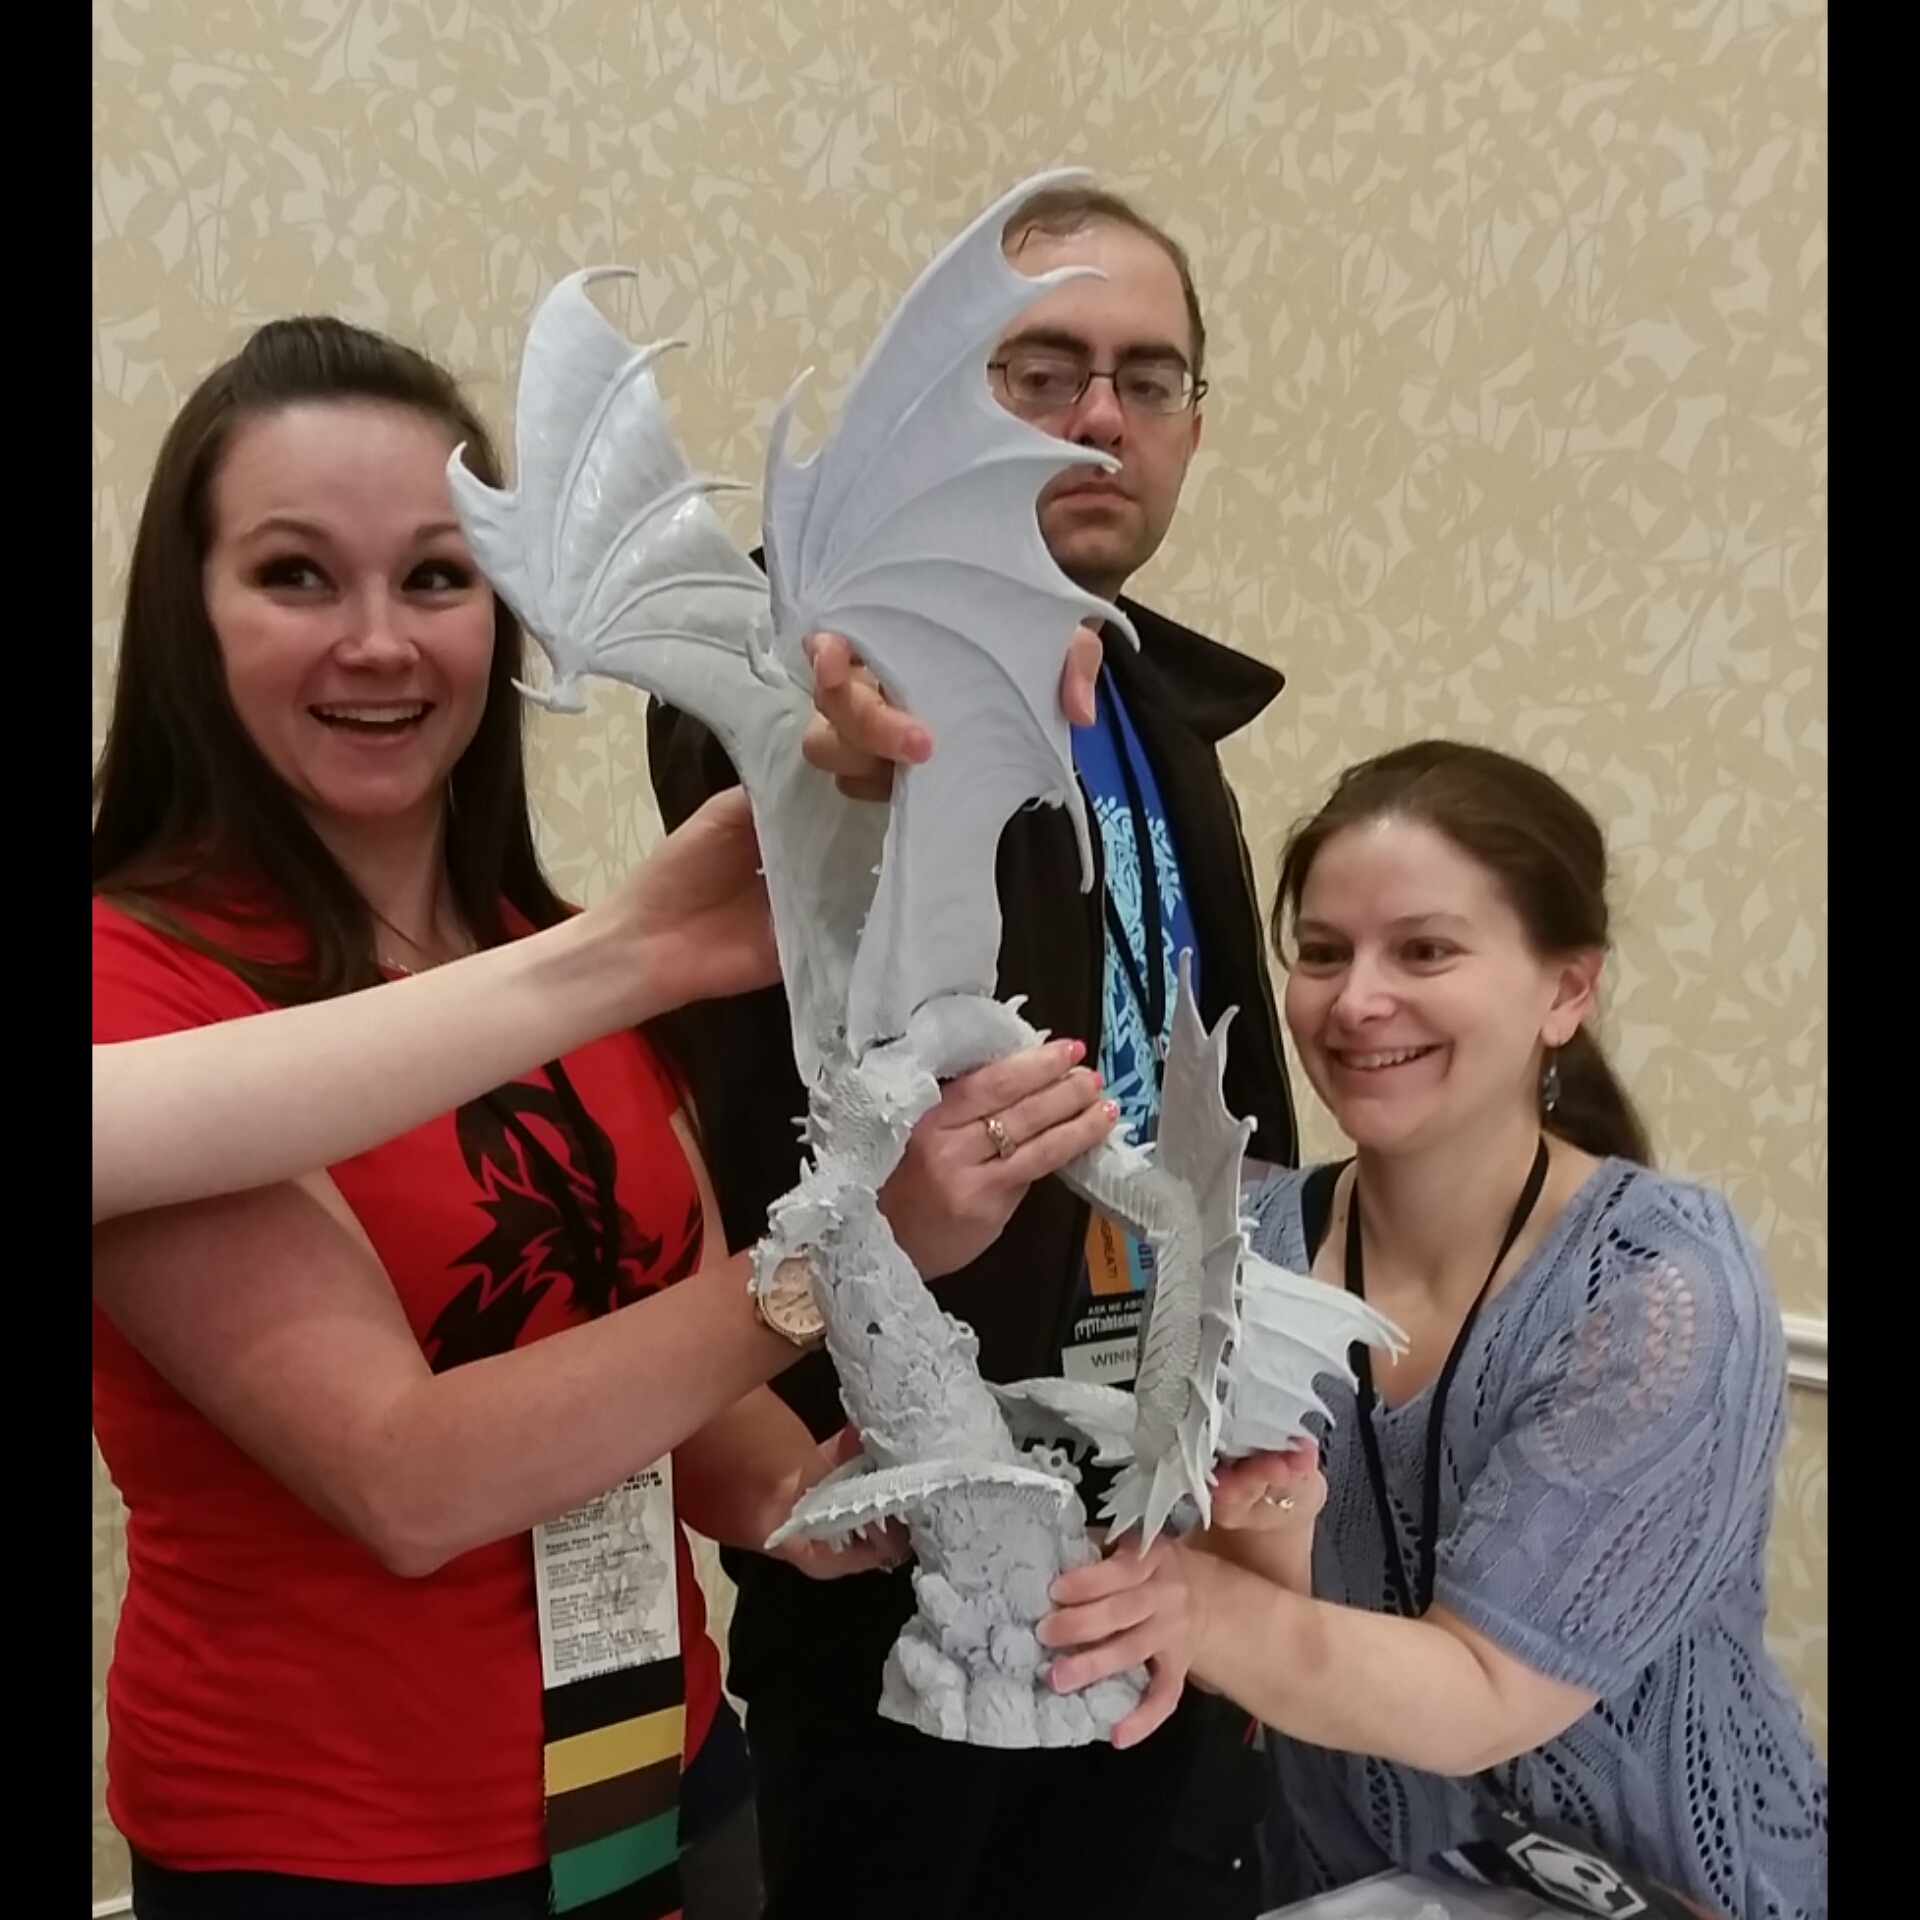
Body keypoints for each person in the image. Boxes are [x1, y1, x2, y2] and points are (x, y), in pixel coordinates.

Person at [90, 313, 1115, 1920]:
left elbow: (672, 1378)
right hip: (341, 1853)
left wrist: (834, 1495)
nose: (380, 640)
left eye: (436, 577)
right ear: (188, 615)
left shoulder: (547, 947)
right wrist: (849, 1256)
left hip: (660, 1783)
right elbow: (408, 1484)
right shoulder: (137, 989)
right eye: (297, 576)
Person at [647, 181, 1295, 1920]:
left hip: (1145, 1511)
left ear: (1193, 423)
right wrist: (844, 721)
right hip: (896, 1530)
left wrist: (1241, 1446)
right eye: (1043, 369)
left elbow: (1233, 1096)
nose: (1101, 415)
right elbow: (794, 728)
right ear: (948, 407)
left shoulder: (1165, 720)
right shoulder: (834, 649)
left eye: (1146, 378)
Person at [1039, 742, 1830, 1920]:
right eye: (1323, 952)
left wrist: (1197, 1606)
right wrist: (1252, 1539)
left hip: (1676, 1891)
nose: (1357, 1001)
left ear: (1566, 990)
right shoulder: (1241, 1246)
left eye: (1425, 951)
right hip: (1358, 1888)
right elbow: (1264, 1634)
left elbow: (1484, 1693)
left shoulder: (1658, 1286)